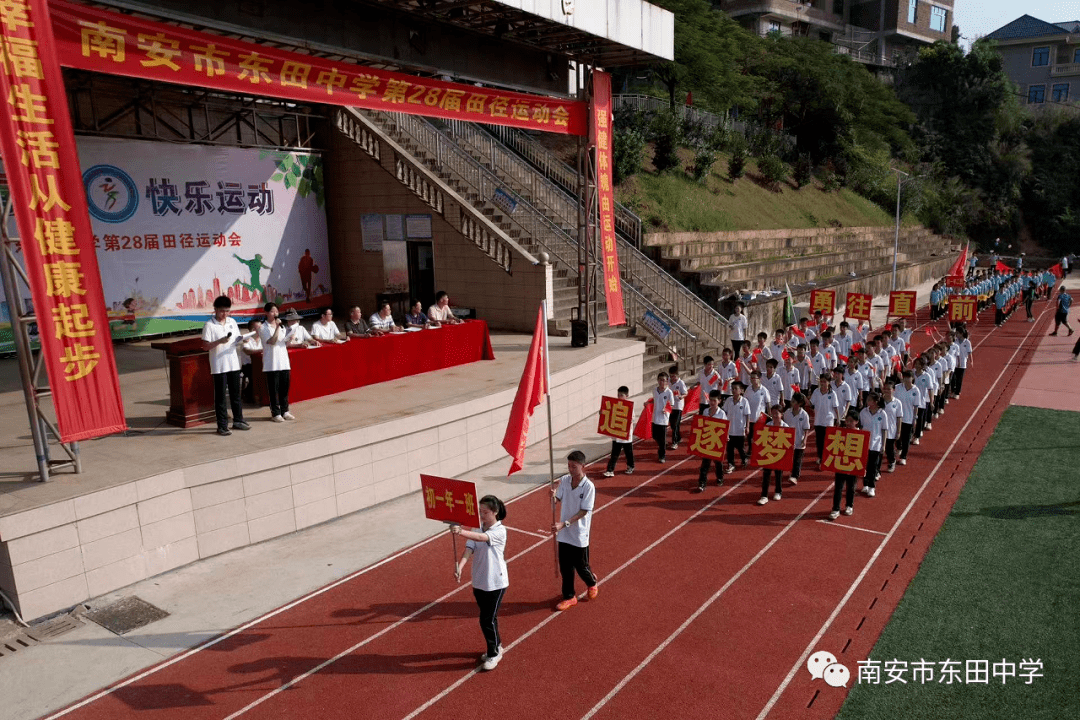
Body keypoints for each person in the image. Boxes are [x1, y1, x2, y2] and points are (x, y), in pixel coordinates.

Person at [452, 495, 508, 671]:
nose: (481, 515)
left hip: (495, 582)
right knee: (490, 618)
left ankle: (493, 654)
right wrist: (460, 566)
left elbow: (481, 539)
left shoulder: (500, 531)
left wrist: (460, 531)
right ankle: (497, 645)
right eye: (480, 511)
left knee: (486, 619)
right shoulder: (478, 527)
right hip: (479, 580)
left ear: (495, 512)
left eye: (485, 512)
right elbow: (470, 547)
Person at [551, 450, 598, 611]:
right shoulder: (564, 480)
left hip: (579, 533)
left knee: (581, 565)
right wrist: (554, 496)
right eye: (569, 466)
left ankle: (591, 582)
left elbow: (584, 511)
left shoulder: (588, 487)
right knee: (565, 567)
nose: (570, 469)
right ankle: (569, 596)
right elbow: (558, 499)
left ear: (582, 466)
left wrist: (563, 524)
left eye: (574, 466)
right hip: (564, 534)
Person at [201, 295, 249, 436]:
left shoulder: (232, 322)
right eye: (222, 311)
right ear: (215, 310)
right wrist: (219, 341)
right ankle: (222, 426)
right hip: (219, 365)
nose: (225, 314)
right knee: (221, 397)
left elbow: (236, 338)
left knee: (235, 394)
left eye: (227, 311)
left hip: (233, 363)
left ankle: (238, 420)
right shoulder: (209, 325)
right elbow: (204, 346)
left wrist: (242, 341)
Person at [259, 302, 295, 422]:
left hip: (283, 361)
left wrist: (290, 338)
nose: (275, 314)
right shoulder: (263, 327)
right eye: (272, 311)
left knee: (284, 388)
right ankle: (275, 413)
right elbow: (272, 341)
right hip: (272, 363)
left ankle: (285, 411)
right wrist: (278, 328)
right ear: (267, 313)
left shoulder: (283, 327)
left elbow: (284, 343)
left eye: (276, 311)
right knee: (274, 389)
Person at [829, 410, 862, 520]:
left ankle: (849, 506)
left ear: (856, 422)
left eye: (851, 421)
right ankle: (835, 508)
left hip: (853, 465)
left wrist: (862, 467)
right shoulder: (841, 432)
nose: (848, 423)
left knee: (851, 487)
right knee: (838, 487)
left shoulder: (861, 435)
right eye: (847, 420)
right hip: (841, 464)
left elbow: (863, 452)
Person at [693, 389, 726, 493]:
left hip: (717, 441)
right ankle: (702, 482)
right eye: (710, 400)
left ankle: (720, 477)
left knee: (718, 463)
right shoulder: (705, 411)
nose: (712, 403)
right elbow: (701, 425)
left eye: (714, 401)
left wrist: (725, 437)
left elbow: (725, 428)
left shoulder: (722, 414)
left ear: (719, 401)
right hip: (707, 440)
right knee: (705, 464)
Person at [757, 404, 788, 505]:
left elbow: (789, 442)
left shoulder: (785, 427)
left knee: (779, 473)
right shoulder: (768, 425)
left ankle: (778, 491)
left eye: (777, 413)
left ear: (781, 414)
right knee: (766, 473)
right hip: (769, 453)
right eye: (773, 413)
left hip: (780, 453)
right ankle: (764, 495)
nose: (775, 415)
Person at [859, 392, 889, 496]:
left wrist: (883, 444)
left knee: (873, 466)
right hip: (864, 443)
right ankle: (865, 484)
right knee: (864, 466)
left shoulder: (882, 414)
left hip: (876, 444)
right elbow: (861, 426)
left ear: (875, 402)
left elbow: (884, 430)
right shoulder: (863, 412)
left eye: (869, 400)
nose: (867, 402)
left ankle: (872, 486)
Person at [603, 386, 636, 477]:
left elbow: (632, 418)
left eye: (621, 395)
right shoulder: (615, 404)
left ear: (627, 395)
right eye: (618, 395)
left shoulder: (629, 406)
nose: (619, 397)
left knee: (628, 453)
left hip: (626, 436)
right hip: (617, 435)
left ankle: (631, 466)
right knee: (614, 453)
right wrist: (603, 413)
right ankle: (610, 470)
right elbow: (609, 413)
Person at [810, 373, 840, 466]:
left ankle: (828, 457)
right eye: (821, 381)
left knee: (828, 441)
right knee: (819, 441)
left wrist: (838, 418)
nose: (822, 383)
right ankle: (820, 457)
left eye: (824, 382)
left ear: (829, 383)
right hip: (818, 420)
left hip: (828, 420)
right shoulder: (816, 392)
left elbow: (835, 407)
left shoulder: (832, 393)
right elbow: (812, 404)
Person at [722, 381, 751, 474]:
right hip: (730, 430)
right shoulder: (728, 400)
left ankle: (744, 458)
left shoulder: (744, 401)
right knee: (729, 449)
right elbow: (724, 412)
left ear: (741, 390)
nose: (733, 390)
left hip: (740, 429)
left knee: (740, 448)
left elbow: (747, 415)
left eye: (736, 389)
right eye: (732, 388)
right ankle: (731, 464)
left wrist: (747, 427)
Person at [782, 392, 811, 485]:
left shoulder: (804, 415)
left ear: (799, 403)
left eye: (794, 401)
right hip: (789, 440)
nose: (791, 402)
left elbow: (806, 429)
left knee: (797, 459)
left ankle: (795, 476)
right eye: (792, 400)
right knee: (789, 457)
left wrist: (805, 439)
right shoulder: (787, 413)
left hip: (799, 441)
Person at [895, 370, 923, 465]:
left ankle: (903, 457)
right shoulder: (898, 388)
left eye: (909, 377)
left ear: (912, 378)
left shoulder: (916, 390)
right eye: (905, 377)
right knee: (897, 435)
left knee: (906, 438)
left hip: (908, 417)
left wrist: (915, 418)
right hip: (897, 417)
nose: (907, 379)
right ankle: (899, 447)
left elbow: (916, 406)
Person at [651, 372, 675, 463]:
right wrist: (648, 403)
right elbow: (654, 400)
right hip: (655, 417)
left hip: (664, 419)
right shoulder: (655, 390)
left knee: (662, 439)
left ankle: (662, 456)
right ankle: (662, 444)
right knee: (654, 435)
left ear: (667, 381)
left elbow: (672, 404)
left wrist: (666, 410)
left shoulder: (669, 392)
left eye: (664, 380)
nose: (662, 382)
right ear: (658, 380)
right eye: (660, 380)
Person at [881, 381, 903, 473]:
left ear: (893, 390)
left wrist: (898, 431)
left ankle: (892, 461)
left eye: (889, 389)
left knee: (889, 448)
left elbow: (899, 418)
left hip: (891, 430)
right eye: (885, 389)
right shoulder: (879, 401)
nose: (887, 391)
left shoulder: (897, 403)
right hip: (879, 429)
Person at [240, 318, 263, 404]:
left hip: (261, 363)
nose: (261, 329)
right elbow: (247, 351)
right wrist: (261, 350)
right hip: (248, 365)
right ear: (253, 329)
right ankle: (249, 393)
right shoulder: (246, 339)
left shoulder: (263, 338)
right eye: (258, 328)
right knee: (255, 374)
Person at [668, 366, 687, 449]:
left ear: (678, 375)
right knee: (672, 424)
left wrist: (681, 396)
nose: (673, 378)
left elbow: (685, 393)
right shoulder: (668, 381)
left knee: (675, 424)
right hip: (670, 406)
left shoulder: (681, 383)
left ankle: (674, 442)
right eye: (671, 376)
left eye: (674, 376)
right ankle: (678, 437)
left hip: (678, 406)